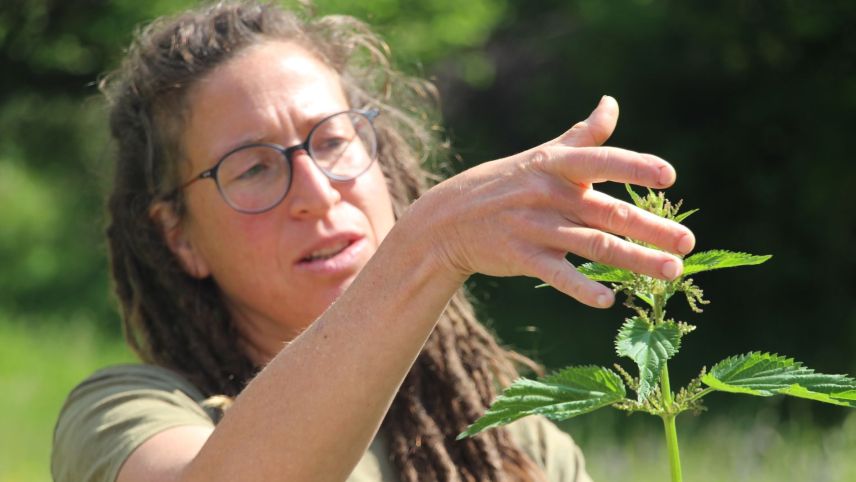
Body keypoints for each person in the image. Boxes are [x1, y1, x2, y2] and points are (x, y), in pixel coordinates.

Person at [51, 2, 695, 481]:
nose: (316, 191)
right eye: (252, 168)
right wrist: (428, 245)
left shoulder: (512, 445)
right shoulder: (127, 415)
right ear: (179, 238)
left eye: (333, 140)